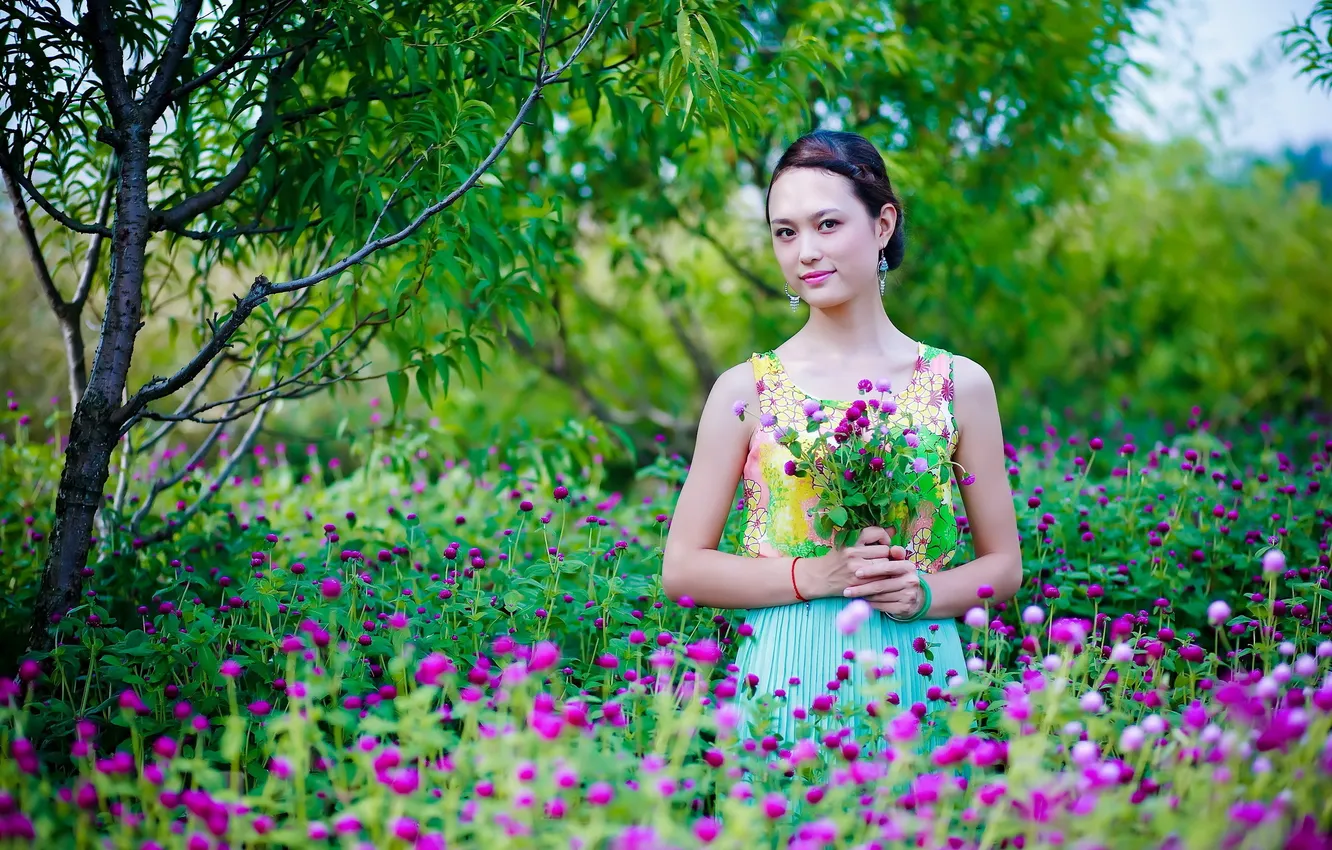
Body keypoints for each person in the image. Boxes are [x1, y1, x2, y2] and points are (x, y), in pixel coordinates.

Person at [661, 129, 1022, 746]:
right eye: (785, 232)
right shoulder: (745, 390)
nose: (805, 251)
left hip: (921, 669)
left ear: (883, 225)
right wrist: (815, 576)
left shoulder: (957, 384)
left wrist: (924, 593)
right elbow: (683, 569)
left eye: (827, 224)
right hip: (783, 677)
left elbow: (1004, 566)